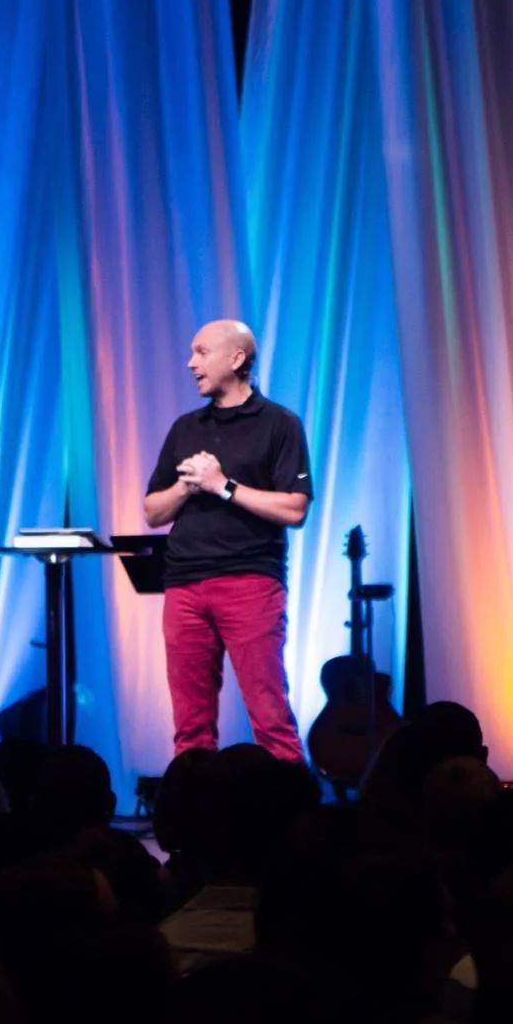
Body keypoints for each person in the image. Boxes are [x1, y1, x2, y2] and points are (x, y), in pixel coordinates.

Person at [143, 319, 311, 760]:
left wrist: (223, 486)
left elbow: (294, 509)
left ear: (237, 359)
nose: (190, 363)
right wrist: (186, 486)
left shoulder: (279, 424)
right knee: (190, 726)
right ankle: (193, 803)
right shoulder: (185, 428)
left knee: (270, 716)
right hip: (184, 584)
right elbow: (153, 512)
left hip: (249, 580)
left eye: (201, 352)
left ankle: (290, 800)